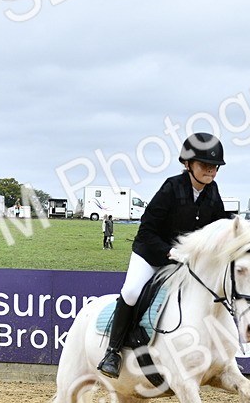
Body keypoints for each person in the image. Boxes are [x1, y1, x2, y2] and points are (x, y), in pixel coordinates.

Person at [97, 133, 227, 378]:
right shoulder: (171, 188)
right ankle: (113, 352)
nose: (210, 170)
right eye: (204, 165)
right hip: (151, 254)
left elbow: (219, 224)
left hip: (183, 261)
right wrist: (169, 251)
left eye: (215, 166)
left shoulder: (213, 192)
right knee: (133, 291)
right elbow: (146, 231)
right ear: (188, 165)